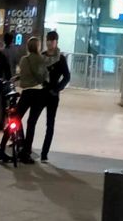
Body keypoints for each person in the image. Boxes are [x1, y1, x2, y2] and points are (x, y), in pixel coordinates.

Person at [0, 36, 47, 164]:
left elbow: (23, 74)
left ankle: (1, 149)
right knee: (31, 124)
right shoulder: (40, 60)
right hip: (37, 93)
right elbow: (42, 76)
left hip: (25, 93)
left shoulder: (24, 60)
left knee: (15, 119)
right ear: (37, 46)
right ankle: (26, 153)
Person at [38, 30, 70, 162]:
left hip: (53, 94)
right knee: (32, 120)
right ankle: (26, 148)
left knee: (50, 124)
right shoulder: (42, 56)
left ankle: (44, 153)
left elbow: (67, 76)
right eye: (48, 40)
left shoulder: (61, 58)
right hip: (41, 92)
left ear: (56, 42)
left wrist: (57, 89)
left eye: (52, 40)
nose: (50, 43)